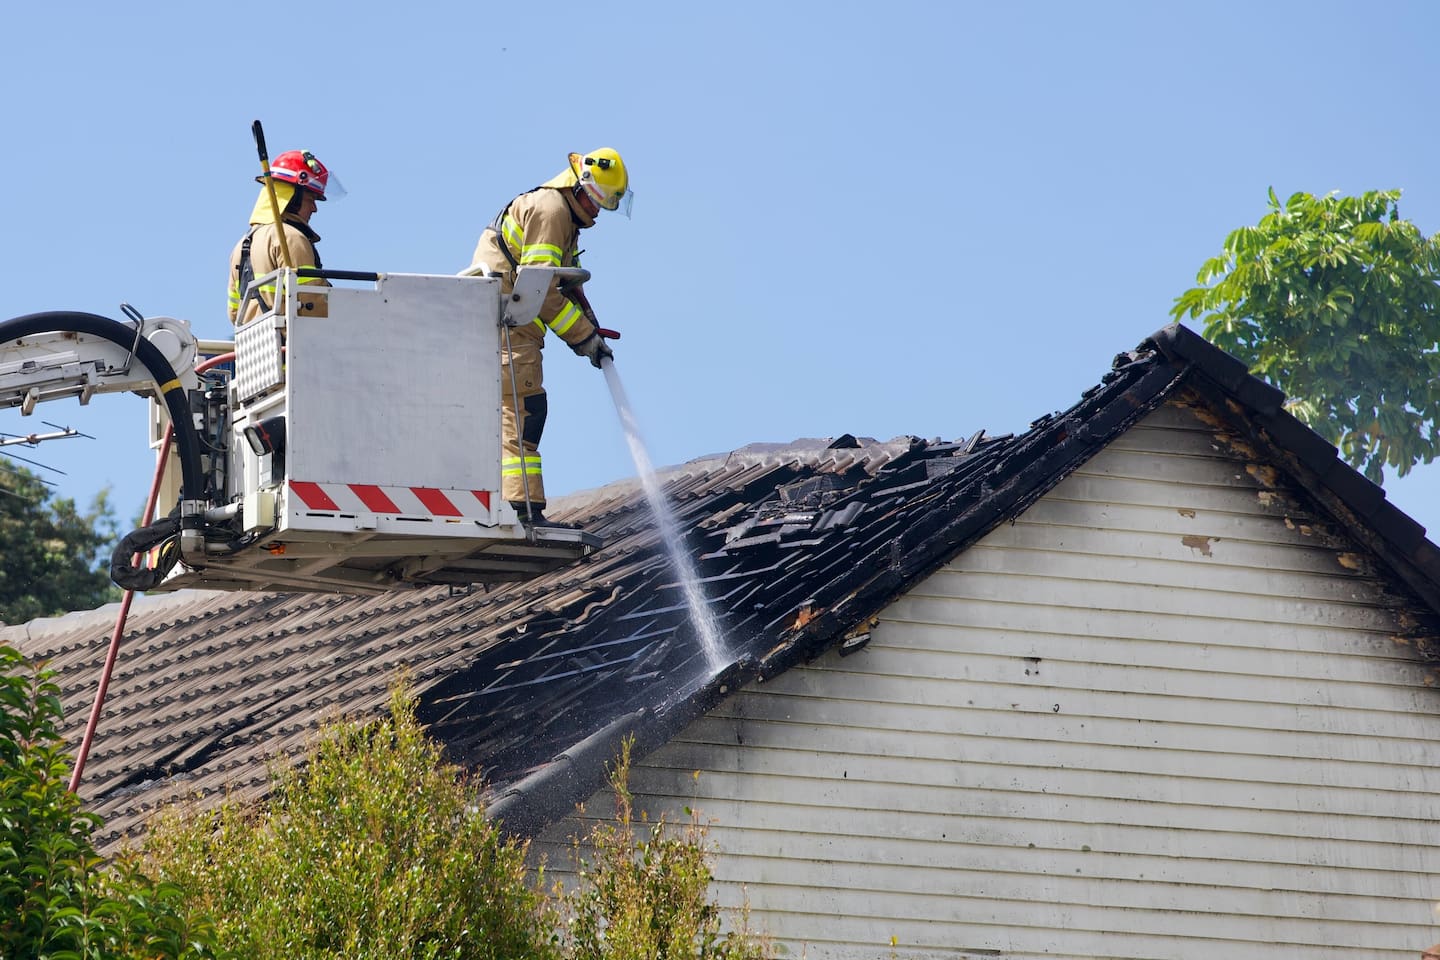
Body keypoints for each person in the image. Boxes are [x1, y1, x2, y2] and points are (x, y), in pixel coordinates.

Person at [469, 148, 630, 526]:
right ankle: (521, 511)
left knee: (520, 413)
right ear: (580, 186)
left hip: (509, 322)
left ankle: (516, 507)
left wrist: (589, 321)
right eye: (597, 201)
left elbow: (560, 282)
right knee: (524, 413)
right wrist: (584, 338)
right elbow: (539, 290)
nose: (598, 212)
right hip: (510, 325)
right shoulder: (552, 212)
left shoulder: (558, 212)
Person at [227, 150, 339, 325]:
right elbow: (312, 303)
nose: (314, 208)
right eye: (311, 199)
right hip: (294, 344)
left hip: (255, 346)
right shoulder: (291, 238)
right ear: (293, 198)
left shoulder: (242, 245)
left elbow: (234, 313)